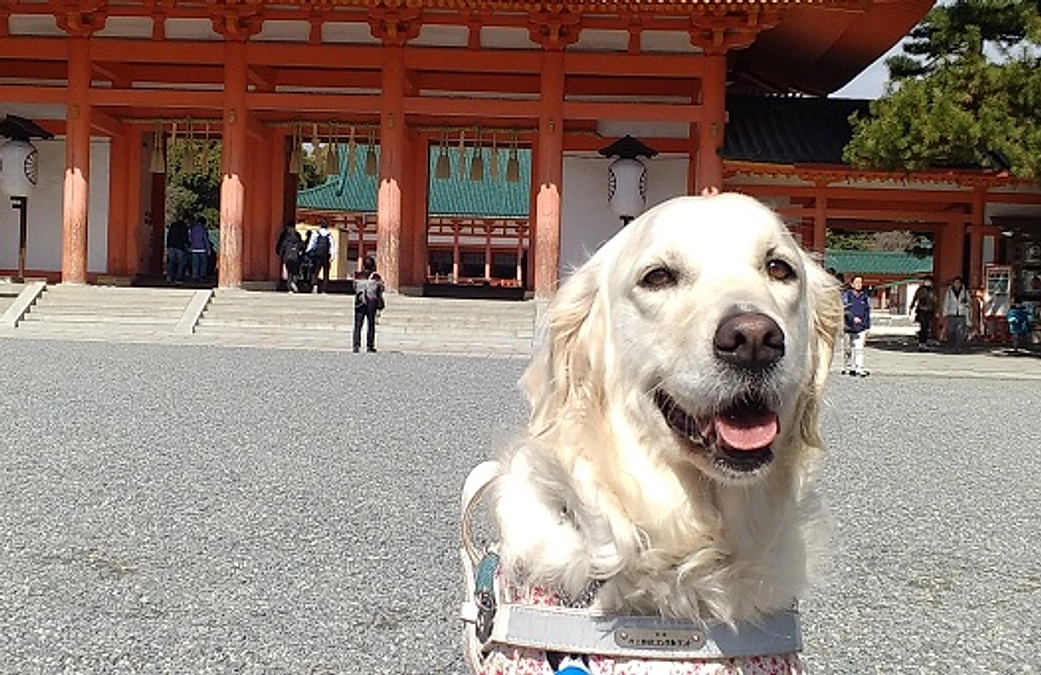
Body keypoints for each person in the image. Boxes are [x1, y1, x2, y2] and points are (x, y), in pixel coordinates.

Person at [353, 255, 384, 353]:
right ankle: (370, 345)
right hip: (372, 302)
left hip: (359, 301)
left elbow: (354, 287)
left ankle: (356, 345)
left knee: (358, 324)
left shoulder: (357, 276)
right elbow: (381, 289)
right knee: (371, 324)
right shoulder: (376, 277)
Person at [841, 275, 871, 376]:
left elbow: (867, 312)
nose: (859, 284)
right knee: (848, 349)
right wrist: (852, 318)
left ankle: (859, 368)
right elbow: (844, 309)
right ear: (852, 284)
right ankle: (847, 366)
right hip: (848, 327)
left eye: (861, 282)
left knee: (859, 349)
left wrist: (867, 327)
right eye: (857, 282)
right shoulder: (847, 296)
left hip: (861, 328)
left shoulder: (865, 297)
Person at [908, 275, 938, 351]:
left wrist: (936, 310)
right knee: (923, 326)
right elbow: (915, 298)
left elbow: (935, 302)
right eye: (926, 281)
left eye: (929, 281)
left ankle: (924, 342)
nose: (927, 282)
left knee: (927, 327)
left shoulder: (933, 291)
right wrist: (911, 307)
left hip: (929, 311)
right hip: (921, 310)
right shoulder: (920, 290)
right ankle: (921, 343)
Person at [306, 220, 335, 293]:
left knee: (315, 270)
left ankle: (314, 284)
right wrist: (332, 255)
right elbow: (332, 246)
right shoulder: (329, 235)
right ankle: (324, 288)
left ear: (320, 226)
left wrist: (308, 252)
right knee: (326, 272)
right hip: (326, 256)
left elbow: (312, 244)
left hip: (317, 255)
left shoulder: (316, 233)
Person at [943, 275, 970, 351]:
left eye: (958, 283)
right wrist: (945, 313)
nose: (957, 284)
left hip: (961, 313)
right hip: (951, 313)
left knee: (960, 332)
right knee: (950, 331)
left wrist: (966, 302)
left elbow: (969, 302)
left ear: (961, 284)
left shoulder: (964, 291)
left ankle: (958, 347)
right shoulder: (949, 291)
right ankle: (951, 345)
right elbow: (946, 302)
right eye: (955, 282)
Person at [275, 223, 303, 293]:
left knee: (289, 272)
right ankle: (294, 282)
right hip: (296, 257)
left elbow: (281, 248)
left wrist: (280, 255)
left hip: (287, 257)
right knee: (295, 271)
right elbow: (302, 247)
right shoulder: (298, 238)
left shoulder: (285, 239)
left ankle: (289, 286)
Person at [187, 217, 211, 282]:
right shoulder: (203, 229)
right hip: (202, 248)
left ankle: (195, 276)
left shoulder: (193, 229)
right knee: (203, 263)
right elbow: (205, 239)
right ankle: (202, 275)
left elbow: (190, 239)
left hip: (194, 248)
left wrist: (191, 246)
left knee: (195, 263)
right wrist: (208, 249)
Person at [165, 219, 189, 283]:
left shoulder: (173, 225)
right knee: (181, 263)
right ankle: (178, 278)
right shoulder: (184, 227)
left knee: (171, 262)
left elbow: (169, 235)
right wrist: (187, 244)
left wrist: (168, 245)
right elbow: (185, 237)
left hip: (171, 245)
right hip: (179, 246)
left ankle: (169, 277)